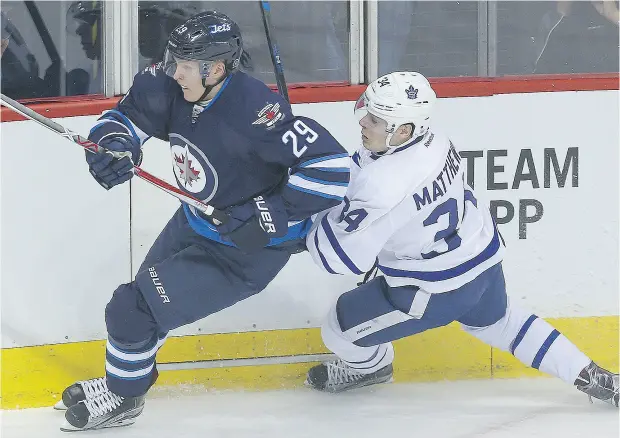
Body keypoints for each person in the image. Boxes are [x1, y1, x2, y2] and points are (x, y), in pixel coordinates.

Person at [54, 11, 350, 432]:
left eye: (186, 66)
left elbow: (333, 169)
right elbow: (125, 117)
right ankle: (122, 383)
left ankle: (123, 396)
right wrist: (113, 146)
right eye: (173, 60)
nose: (174, 72)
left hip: (244, 253)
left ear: (216, 68)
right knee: (143, 311)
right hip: (194, 220)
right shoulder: (168, 82)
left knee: (131, 309)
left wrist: (269, 212)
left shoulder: (255, 110)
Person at [303, 71, 619, 409]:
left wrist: (307, 220)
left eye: (376, 119)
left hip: (432, 290)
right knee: (505, 323)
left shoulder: (383, 185)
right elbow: (369, 178)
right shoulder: (436, 140)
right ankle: (597, 378)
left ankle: (371, 369)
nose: (364, 121)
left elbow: (339, 259)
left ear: (404, 130)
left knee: (337, 328)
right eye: (367, 111)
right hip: (482, 263)